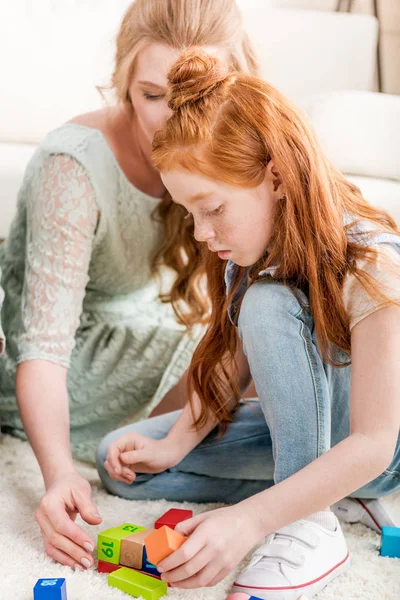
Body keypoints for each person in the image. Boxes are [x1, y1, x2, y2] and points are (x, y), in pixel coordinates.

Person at [96, 49, 400, 599]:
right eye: (191, 213)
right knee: (123, 463)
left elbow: (376, 442)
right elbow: (235, 360)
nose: (201, 233)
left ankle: (307, 523)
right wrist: (178, 442)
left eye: (212, 208)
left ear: (276, 177)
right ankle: (316, 492)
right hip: (315, 442)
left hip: (377, 450)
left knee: (266, 302)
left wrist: (251, 521)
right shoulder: (252, 244)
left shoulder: (374, 262)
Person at [0, 1, 260, 572]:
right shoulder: (72, 167)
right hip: (76, 362)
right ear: (122, 81)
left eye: (195, 94)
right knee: (255, 376)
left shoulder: (236, 143)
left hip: (147, 323)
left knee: (272, 350)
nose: (171, 121)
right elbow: (43, 350)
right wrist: (61, 475)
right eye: (151, 95)